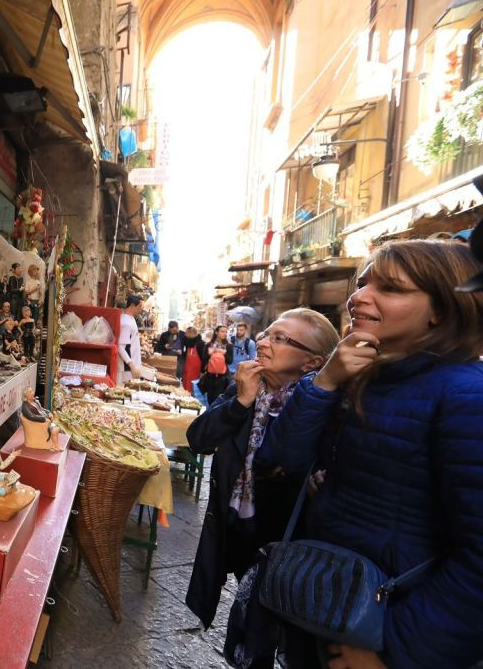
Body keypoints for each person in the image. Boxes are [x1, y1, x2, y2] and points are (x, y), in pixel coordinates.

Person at [254, 241, 483, 669]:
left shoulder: (467, 395)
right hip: (329, 601)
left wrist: (392, 651)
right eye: (362, 283)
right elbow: (278, 457)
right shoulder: (363, 374)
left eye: (390, 288)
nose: (359, 296)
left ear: (442, 309)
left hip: (381, 629)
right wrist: (325, 382)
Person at [184, 308, 339, 642]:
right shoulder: (248, 386)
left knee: (282, 629)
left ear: (311, 363)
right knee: (250, 623)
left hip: (288, 537)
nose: (264, 342)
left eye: (280, 339)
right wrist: (240, 401)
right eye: (268, 334)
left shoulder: (325, 409)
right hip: (239, 528)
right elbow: (198, 439)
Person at [199, 325, 233, 404]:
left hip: (222, 377)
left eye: (226, 332)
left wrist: (224, 353)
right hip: (210, 376)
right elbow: (204, 360)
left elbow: (230, 361)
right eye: (222, 331)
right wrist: (209, 353)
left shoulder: (229, 346)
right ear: (217, 332)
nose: (224, 333)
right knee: (210, 399)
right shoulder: (209, 345)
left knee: (219, 400)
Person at [117, 294, 144, 385]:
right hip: (127, 368)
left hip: (132, 367)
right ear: (132, 305)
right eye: (140, 306)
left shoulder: (130, 319)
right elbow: (121, 347)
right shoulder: (126, 323)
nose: (141, 309)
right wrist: (132, 365)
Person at [181, 326, 204, 394]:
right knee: (185, 387)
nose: (185, 335)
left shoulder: (200, 344)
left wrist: (202, 371)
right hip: (187, 369)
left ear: (192, 334)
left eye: (187, 333)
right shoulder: (188, 343)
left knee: (193, 388)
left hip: (196, 371)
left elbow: (203, 358)